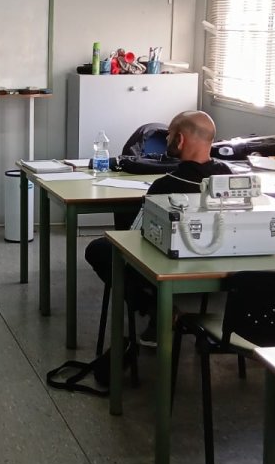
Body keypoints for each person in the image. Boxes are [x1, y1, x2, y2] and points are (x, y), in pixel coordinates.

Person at [84, 110, 232, 346]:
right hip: (220, 262)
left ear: (180, 140)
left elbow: (139, 236)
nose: (166, 139)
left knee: (100, 249)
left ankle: (156, 309)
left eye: (170, 134)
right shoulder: (229, 178)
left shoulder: (165, 186)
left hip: (170, 265)